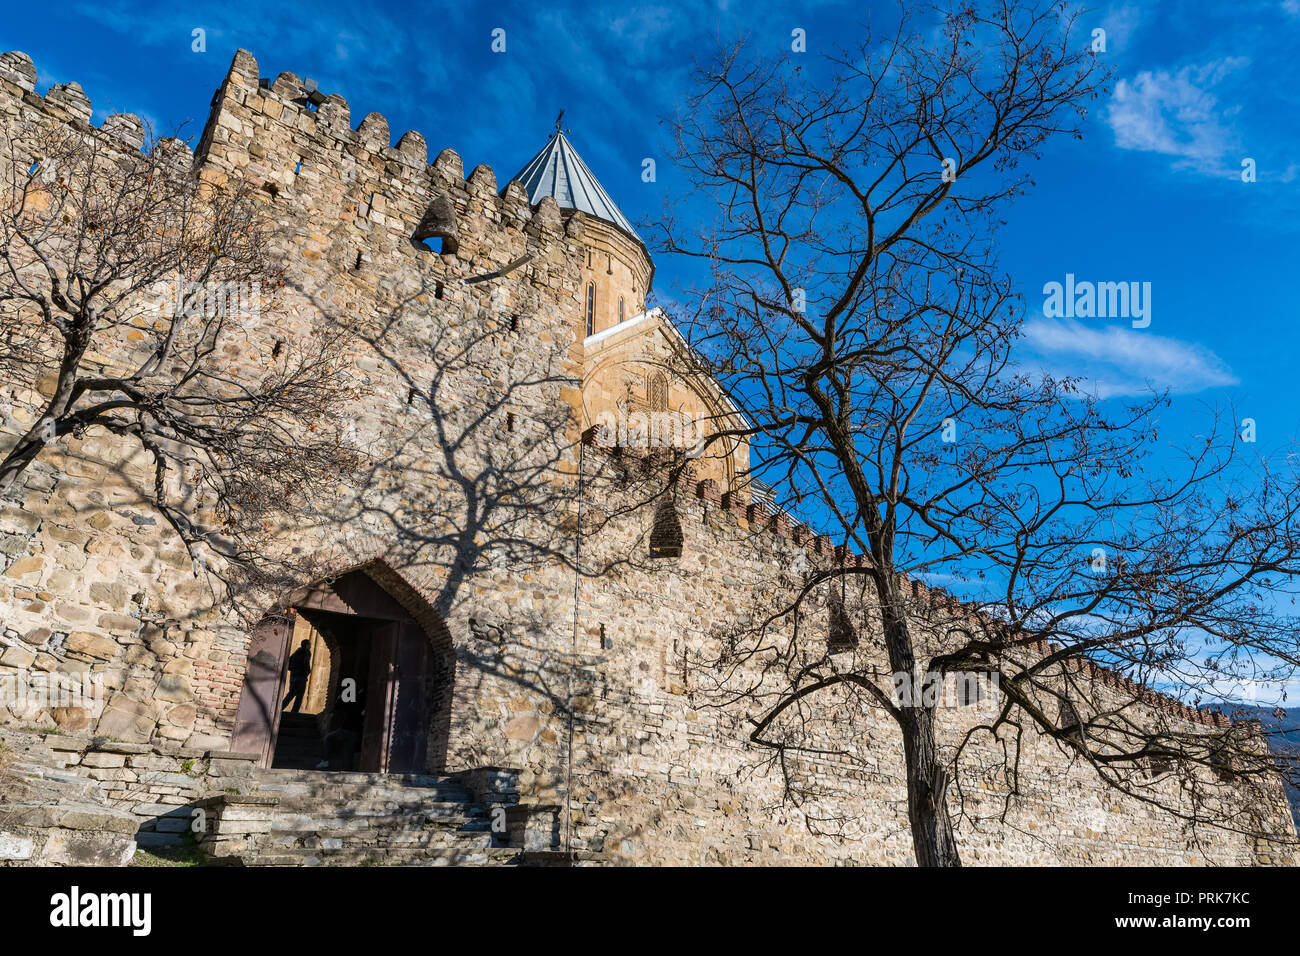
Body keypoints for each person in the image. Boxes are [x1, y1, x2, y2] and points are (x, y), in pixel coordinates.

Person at [317, 689, 365, 770]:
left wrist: (339, 698)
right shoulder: (362, 704)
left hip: (345, 730)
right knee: (348, 753)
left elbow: (337, 706)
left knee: (327, 739)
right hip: (355, 732)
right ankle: (348, 771)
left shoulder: (350, 702)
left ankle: (325, 760)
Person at [281, 640, 311, 712]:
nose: (310, 646)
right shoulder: (307, 652)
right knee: (299, 697)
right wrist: (307, 671)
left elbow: (288, 663)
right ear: (306, 645)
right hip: (301, 678)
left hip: (293, 677)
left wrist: (293, 670)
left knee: (291, 694)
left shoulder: (296, 653)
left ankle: (280, 708)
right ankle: (294, 713)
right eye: (310, 644)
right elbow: (305, 664)